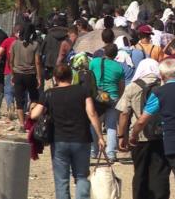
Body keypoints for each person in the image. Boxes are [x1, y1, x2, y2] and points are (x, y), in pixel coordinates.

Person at [30, 64, 105, 199]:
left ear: (55, 78)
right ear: (71, 76)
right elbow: (92, 113)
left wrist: (34, 106)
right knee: (82, 177)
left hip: (59, 141)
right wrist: (100, 136)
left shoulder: (49, 93)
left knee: (61, 180)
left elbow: (34, 115)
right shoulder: (83, 91)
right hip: (82, 139)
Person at [129, 59, 175, 199]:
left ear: (162, 75)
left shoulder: (160, 93)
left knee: (163, 176)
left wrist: (134, 134)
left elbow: (142, 120)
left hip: (170, 141)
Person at [116, 58, 170, 199]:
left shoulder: (132, 87)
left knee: (140, 172)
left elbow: (124, 113)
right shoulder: (164, 85)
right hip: (161, 135)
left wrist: (121, 136)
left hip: (138, 136)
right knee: (160, 172)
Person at [89, 44, 125, 162]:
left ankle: (93, 151)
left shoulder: (94, 62)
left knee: (94, 124)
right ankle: (111, 154)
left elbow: (89, 78)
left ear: (104, 52)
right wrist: (118, 98)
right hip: (113, 98)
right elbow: (121, 86)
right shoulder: (119, 67)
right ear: (116, 55)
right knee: (111, 126)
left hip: (97, 97)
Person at [10, 22, 42, 131]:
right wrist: (38, 77)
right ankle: (30, 117)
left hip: (18, 74)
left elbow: (11, 61)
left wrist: (12, 74)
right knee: (34, 97)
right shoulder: (35, 45)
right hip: (31, 75)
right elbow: (37, 62)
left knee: (19, 100)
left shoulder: (14, 44)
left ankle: (21, 124)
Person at [0, 24, 21, 121]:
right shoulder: (27, 42)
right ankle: (22, 110)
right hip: (24, 70)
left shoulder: (8, 40)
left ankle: (10, 104)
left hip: (9, 69)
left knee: (8, 91)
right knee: (22, 91)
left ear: (13, 31)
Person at [40, 14, 68, 84]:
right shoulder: (68, 36)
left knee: (54, 83)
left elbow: (42, 51)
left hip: (50, 63)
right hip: (64, 63)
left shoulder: (49, 35)